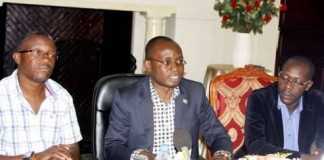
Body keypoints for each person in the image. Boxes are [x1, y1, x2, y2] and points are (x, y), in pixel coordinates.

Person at [104, 36, 232, 160]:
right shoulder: (127, 98)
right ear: (148, 66)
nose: (175, 68)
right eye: (167, 62)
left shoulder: (195, 93)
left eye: (179, 61)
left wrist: (222, 155)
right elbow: (113, 146)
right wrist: (138, 156)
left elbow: (218, 135)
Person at [0, 32, 82, 160]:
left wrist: (66, 156)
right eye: (37, 52)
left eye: (52, 55)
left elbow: (73, 147)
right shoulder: (2, 94)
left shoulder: (62, 97)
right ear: (17, 58)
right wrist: (35, 158)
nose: (46, 59)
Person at [244, 56, 324, 159]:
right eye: (284, 78)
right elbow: (255, 144)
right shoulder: (260, 99)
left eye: (296, 82)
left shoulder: (318, 100)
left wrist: (318, 148)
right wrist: (300, 157)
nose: (287, 87)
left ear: (308, 85)